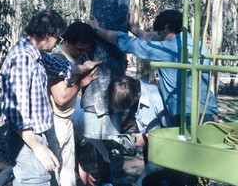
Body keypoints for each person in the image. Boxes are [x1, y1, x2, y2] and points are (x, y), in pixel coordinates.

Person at [0, 10, 101, 186]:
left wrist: (83, 67)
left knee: (46, 183)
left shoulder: (36, 54)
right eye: (58, 38)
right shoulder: (23, 58)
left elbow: (60, 66)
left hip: (38, 135)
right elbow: (16, 113)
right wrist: (37, 146)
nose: (58, 43)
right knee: (34, 185)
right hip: (27, 140)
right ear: (48, 36)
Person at [88, 10, 219, 126]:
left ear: (166, 28)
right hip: (210, 113)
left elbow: (126, 42)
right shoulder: (201, 46)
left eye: (160, 33)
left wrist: (97, 29)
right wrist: (135, 29)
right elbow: (153, 39)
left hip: (186, 116)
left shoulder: (167, 50)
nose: (159, 37)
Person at [46, 21, 98, 186]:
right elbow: (60, 98)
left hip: (67, 119)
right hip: (55, 122)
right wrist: (82, 83)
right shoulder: (57, 60)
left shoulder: (79, 57)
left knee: (67, 172)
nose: (82, 53)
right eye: (79, 49)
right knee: (55, 170)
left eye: (85, 50)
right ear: (67, 42)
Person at [107, 75, 168, 186]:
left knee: (142, 185)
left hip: (164, 151)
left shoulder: (156, 99)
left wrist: (146, 137)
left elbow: (170, 130)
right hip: (150, 148)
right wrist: (119, 132)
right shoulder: (134, 90)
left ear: (133, 99)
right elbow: (133, 115)